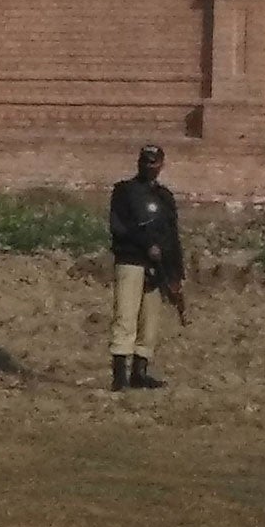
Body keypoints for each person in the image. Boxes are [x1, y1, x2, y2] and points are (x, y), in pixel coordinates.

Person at [107, 143, 183, 392]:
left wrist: (175, 274)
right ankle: (120, 377)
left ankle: (140, 373)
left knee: (150, 322)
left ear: (161, 165)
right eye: (145, 161)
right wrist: (146, 245)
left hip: (157, 267)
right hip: (131, 261)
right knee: (125, 317)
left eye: (153, 163)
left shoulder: (165, 198)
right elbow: (120, 227)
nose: (148, 167)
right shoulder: (124, 191)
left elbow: (172, 237)